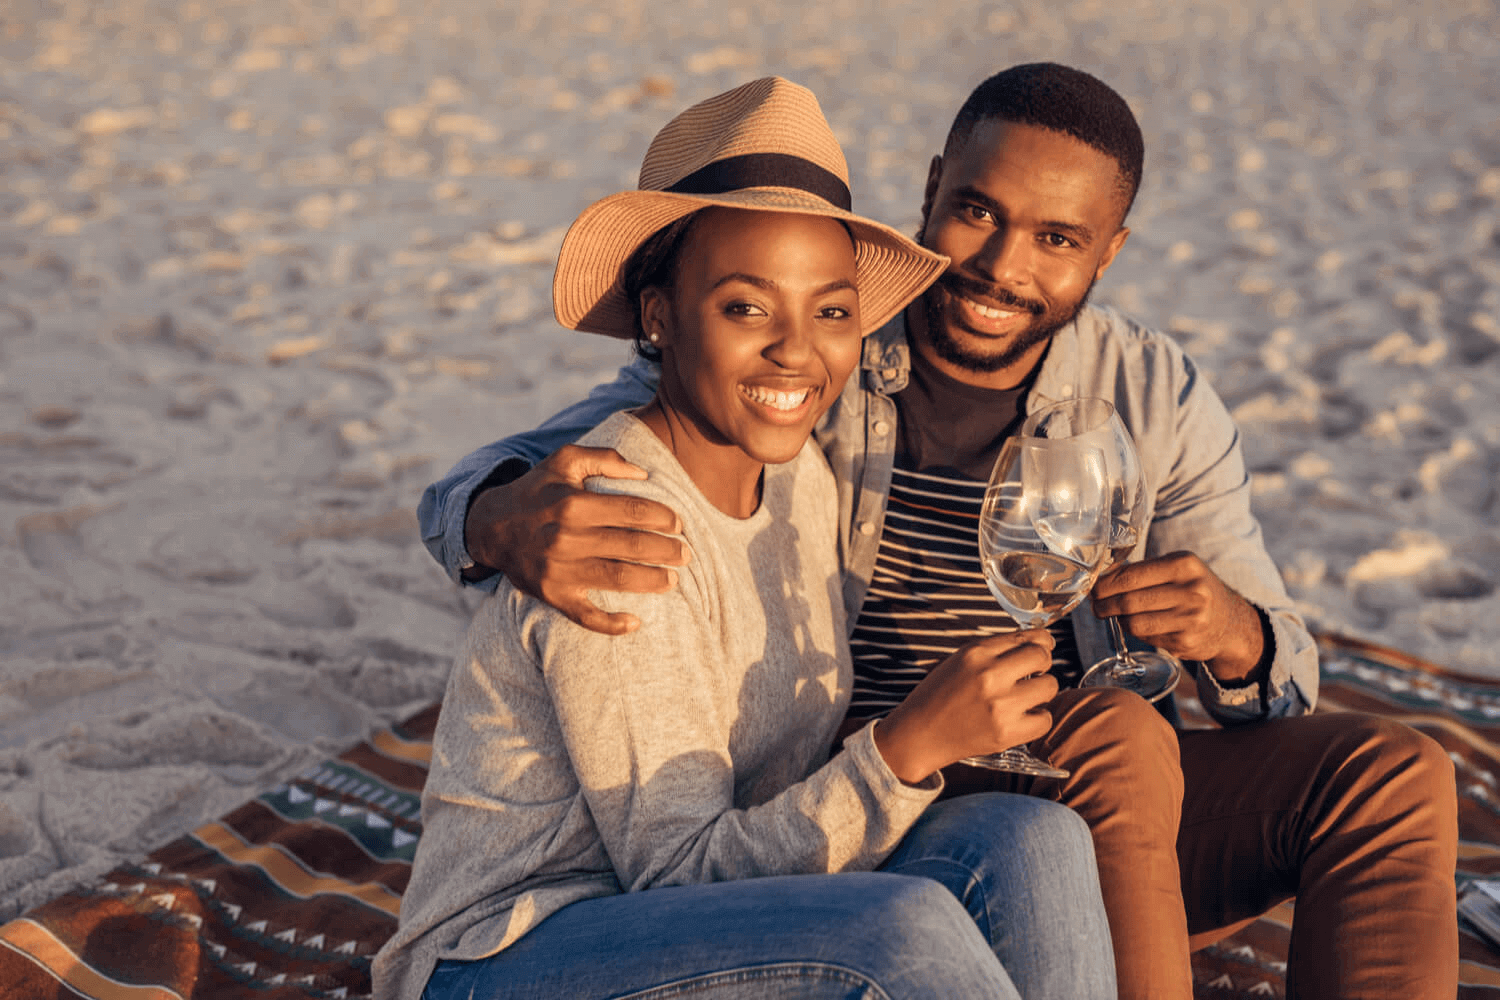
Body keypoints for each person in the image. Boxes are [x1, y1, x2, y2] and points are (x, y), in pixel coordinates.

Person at [422, 64, 1459, 999]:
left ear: (1109, 250)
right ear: (931, 191)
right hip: (835, 792)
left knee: (1362, 772)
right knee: (1092, 767)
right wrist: (495, 514)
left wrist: (1233, 630)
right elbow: (571, 456)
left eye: (1058, 239)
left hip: (1000, 794)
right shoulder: (797, 376)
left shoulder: (1147, 395)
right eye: (977, 212)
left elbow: (1284, 672)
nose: (1004, 266)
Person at [375, 77, 1118, 1000]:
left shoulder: (802, 477)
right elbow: (676, 873)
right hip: (514, 953)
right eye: (747, 307)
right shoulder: (617, 529)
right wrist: (904, 750)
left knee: (1032, 836)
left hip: (713, 912)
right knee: (899, 931)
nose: (797, 352)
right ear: (658, 316)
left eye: (832, 311)